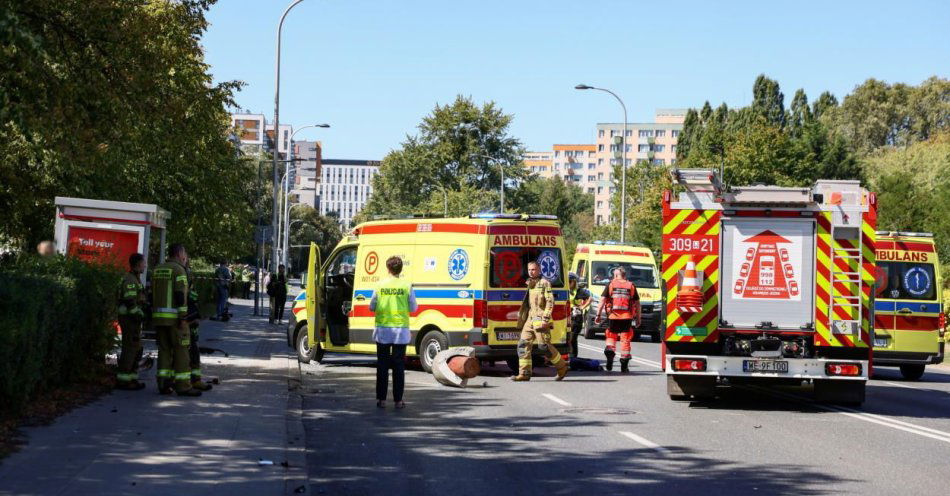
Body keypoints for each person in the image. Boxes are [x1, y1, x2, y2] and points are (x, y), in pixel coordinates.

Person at [151, 244, 201, 396]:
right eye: (184, 252)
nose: (185, 256)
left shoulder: (158, 269)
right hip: (175, 320)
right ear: (180, 253)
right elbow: (180, 296)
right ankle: (183, 386)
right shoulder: (179, 270)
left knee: (164, 351)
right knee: (181, 352)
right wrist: (183, 318)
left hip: (159, 319)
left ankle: (163, 384)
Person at [369, 256, 417, 408]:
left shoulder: (379, 285)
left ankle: (381, 400)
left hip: (383, 330)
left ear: (388, 268)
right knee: (398, 366)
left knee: (382, 365)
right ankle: (398, 400)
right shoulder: (407, 286)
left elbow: (372, 306)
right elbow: (413, 308)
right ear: (400, 269)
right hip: (400, 331)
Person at [512, 261, 568, 382]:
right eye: (529, 270)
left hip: (540, 319)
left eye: (533, 269)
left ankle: (562, 367)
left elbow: (550, 302)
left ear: (539, 270)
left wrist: (545, 319)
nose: (531, 272)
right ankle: (524, 373)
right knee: (523, 344)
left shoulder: (544, 283)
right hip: (530, 319)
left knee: (544, 347)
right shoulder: (530, 283)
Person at [595, 267, 640, 372]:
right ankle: (624, 363)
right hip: (627, 317)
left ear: (615, 275)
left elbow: (602, 300)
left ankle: (610, 354)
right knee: (625, 339)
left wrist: (598, 315)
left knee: (611, 336)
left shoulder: (610, 285)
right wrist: (638, 318)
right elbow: (637, 304)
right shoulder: (631, 286)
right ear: (625, 275)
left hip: (613, 316)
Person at [115, 253, 148, 390]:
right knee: (130, 348)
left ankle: (132, 378)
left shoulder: (135, 278)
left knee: (137, 348)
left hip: (133, 319)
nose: (145, 265)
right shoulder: (130, 280)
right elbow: (130, 301)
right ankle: (124, 380)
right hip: (129, 319)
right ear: (138, 264)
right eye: (144, 263)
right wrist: (138, 314)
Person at [185, 263, 212, 392]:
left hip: (191, 322)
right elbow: (188, 302)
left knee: (193, 353)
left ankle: (193, 379)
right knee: (191, 354)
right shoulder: (183, 280)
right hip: (187, 323)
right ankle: (193, 380)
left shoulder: (187, 283)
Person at [568, 272, 592, 358]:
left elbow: (590, 298)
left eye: (570, 281)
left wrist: (582, 307)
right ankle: (570, 356)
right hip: (567, 317)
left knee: (572, 338)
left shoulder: (579, 291)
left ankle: (573, 356)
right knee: (568, 339)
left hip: (576, 318)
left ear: (574, 282)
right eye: (567, 281)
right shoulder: (565, 290)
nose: (568, 283)